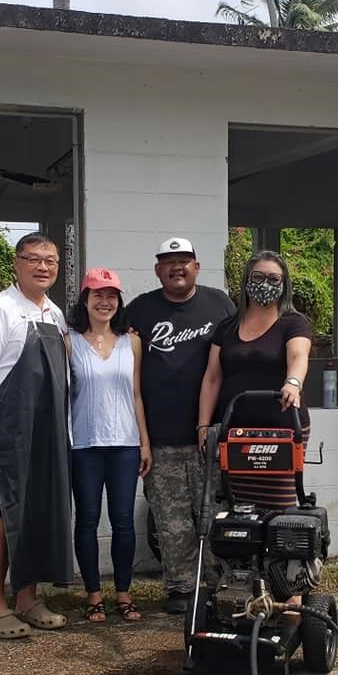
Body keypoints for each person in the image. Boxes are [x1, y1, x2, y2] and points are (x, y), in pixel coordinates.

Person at [0, 232, 72, 639]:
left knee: (37, 513)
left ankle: (27, 598)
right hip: (7, 433)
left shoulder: (55, 314)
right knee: (2, 516)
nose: (43, 267)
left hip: (46, 433)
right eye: (34, 259)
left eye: (51, 260)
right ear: (17, 263)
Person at [126, 237, 236, 614]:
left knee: (217, 514)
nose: (177, 267)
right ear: (157, 270)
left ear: (197, 267)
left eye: (184, 261)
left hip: (213, 435)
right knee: (173, 521)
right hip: (161, 437)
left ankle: (225, 585)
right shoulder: (139, 310)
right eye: (168, 262)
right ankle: (180, 588)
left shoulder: (219, 303)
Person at [197, 250, 313, 511]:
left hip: (282, 429)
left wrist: (293, 383)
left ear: (284, 286)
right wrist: (203, 426)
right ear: (246, 281)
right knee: (238, 508)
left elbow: (298, 356)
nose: (265, 284)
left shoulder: (293, 323)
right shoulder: (226, 327)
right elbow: (213, 378)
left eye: (274, 279)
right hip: (234, 432)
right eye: (258, 277)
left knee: (278, 508)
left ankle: (282, 553)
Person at [68, 268, 152, 623]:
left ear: (119, 302)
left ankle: (123, 592)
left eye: (112, 296)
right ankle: (93, 595)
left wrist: (144, 442)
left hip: (124, 443)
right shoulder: (67, 341)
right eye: (97, 295)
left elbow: (136, 394)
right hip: (84, 444)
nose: (105, 302)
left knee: (123, 522)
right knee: (87, 520)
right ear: (85, 300)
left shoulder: (131, 342)